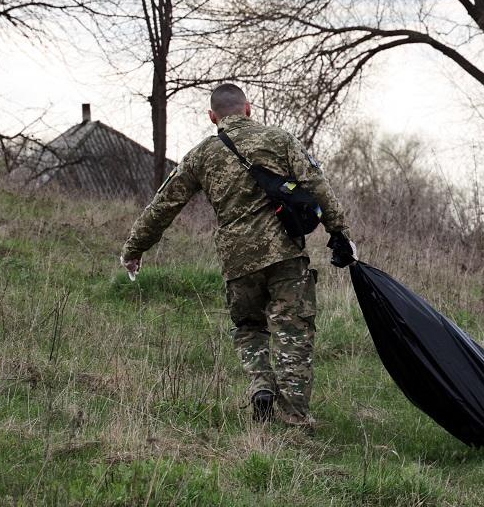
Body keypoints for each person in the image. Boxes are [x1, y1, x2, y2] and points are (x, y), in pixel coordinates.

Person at [120, 83, 355, 427]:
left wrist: (134, 248)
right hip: (286, 254)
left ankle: (261, 385)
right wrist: (338, 232)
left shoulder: (201, 155)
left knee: (249, 327)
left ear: (213, 117)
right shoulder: (280, 140)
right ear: (247, 109)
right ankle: (294, 418)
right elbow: (317, 184)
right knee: (294, 333)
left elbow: (164, 204)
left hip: (238, 262)